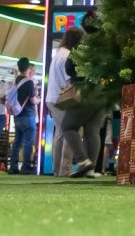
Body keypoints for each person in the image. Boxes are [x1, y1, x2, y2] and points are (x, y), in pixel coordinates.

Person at [44, 28, 106, 178]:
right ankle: (90, 169)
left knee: (68, 127)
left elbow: (70, 71)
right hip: (101, 92)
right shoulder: (101, 52)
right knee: (92, 131)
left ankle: (81, 162)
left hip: (82, 92)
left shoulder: (72, 53)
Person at [7, 58, 38, 175]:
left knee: (17, 141)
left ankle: (13, 167)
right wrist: (39, 100)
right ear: (28, 67)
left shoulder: (17, 80)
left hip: (17, 114)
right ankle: (26, 166)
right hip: (27, 114)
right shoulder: (29, 82)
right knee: (28, 141)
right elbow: (33, 100)